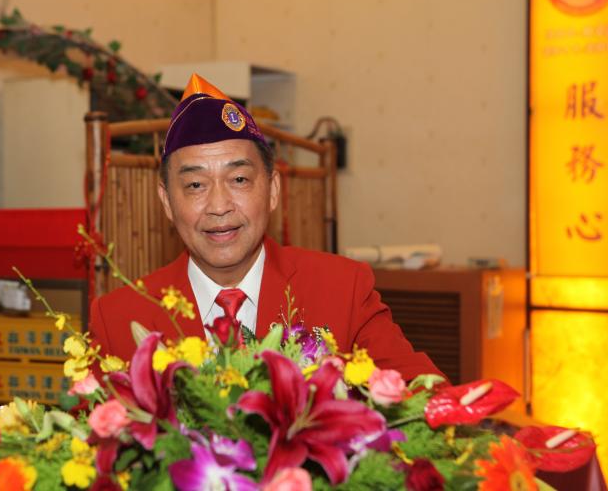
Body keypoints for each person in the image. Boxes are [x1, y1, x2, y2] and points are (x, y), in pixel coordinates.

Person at [89, 74, 445, 381]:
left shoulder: (343, 289)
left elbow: (421, 393)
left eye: (239, 179)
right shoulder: (119, 318)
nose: (219, 206)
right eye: (195, 185)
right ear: (166, 201)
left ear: (273, 190)